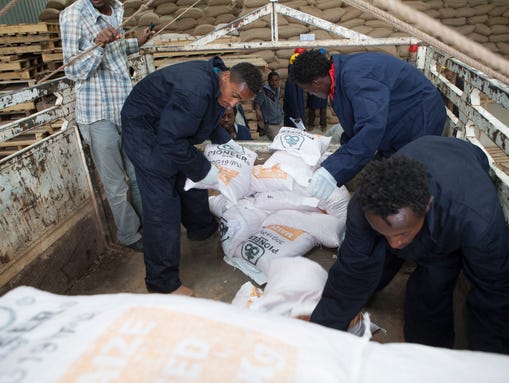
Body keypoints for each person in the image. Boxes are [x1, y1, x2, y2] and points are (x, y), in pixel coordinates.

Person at [311, 136, 509, 354]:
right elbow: (351, 270)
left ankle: (429, 356)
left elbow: (493, 295)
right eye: (384, 233)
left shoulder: (476, 220)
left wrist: (493, 362)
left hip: (460, 171)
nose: (396, 244)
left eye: (402, 233)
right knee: (368, 268)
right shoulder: (363, 206)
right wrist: (319, 333)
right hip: (424, 158)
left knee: (433, 285)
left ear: (427, 206)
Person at [121, 57, 263, 296]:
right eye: (234, 96)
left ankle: (201, 228)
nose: (231, 104)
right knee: (163, 206)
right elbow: (172, 141)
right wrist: (207, 172)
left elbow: (204, 117)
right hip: (145, 131)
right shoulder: (194, 90)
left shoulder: (216, 81)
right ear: (227, 76)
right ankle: (161, 283)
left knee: (191, 181)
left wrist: (229, 145)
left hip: (169, 128)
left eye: (239, 102)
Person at [60, 0, 154, 251]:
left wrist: (138, 42)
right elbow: (72, 70)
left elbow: (117, 50)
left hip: (124, 107)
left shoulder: (117, 9)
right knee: (115, 184)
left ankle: (151, 224)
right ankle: (129, 234)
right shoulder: (73, 15)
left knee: (137, 173)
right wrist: (96, 45)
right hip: (97, 113)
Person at [290, 49, 446, 199]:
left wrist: (332, 171)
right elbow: (357, 125)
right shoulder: (339, 78)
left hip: (419, 117)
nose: (310, 94)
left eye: (307, 89)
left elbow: (370, 128)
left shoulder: (355, 79)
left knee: (406, 179)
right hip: (396, 118)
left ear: (316, 83)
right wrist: (338, 158)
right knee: (382, 175)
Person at [254, 71, 284, 140]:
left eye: (276, 80)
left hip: (280, 121)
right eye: (272, 81)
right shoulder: (264, 91)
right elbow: (257, 104)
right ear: (268, 81)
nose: (274, 83)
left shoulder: (278, 89)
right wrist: (258, 112)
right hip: (270, 123)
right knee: (276, 141)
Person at [306, 48, 328, 132]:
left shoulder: (327, 66)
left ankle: (323, 125)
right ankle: (310, 124)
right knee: (312, 108)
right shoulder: (312, 65)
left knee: (323, 109)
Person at [283, 49, 305, 130]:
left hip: (297, 111)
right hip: (294, 114)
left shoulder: (296, 78)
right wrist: (296, 115)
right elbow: (293, 98)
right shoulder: (291, 80)